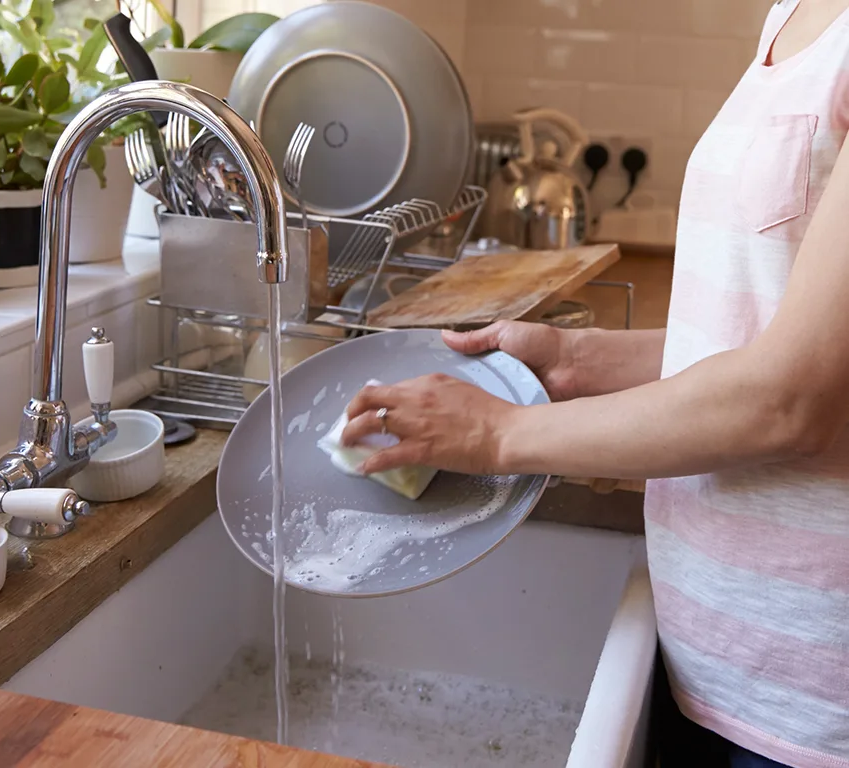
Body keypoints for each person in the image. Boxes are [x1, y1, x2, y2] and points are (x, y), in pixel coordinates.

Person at [341, 1, 849, 766]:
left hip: (813, 698)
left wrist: (495, 432)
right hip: (710, 666)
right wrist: (576, 361)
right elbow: (754, 336)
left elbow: (792, 400)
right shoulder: (794, 15)